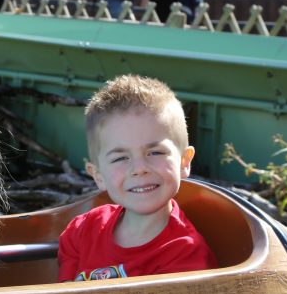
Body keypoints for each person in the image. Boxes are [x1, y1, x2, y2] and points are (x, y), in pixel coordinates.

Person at [58, 75, 217, 282]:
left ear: (184, 162)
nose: (139, 169)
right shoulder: (82, 231)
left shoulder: (185, 257)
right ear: (98, 175)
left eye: (155, 152)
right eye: (121, 158)